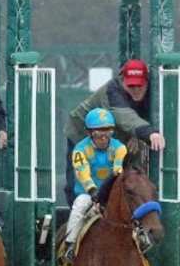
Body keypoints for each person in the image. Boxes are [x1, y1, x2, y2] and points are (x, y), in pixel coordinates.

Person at [64, 59, 164, 204]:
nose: (136, 89)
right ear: (122, 81)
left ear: (147, 82)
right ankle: (77, 221)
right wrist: (149, 133)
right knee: (79, 183)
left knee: (122, 176)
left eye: (139, 85)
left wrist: (134, 135)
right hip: (81, 134)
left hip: (115, 137)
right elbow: (124, 117)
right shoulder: (112, 92)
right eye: (131, 85)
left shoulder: (152, 95)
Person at [58, 108, 127, 266]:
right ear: (89, 133)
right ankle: (69, 246)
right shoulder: (80, 149)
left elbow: (118, 171)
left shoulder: (120, 148)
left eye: (108, 132)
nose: (103, 137)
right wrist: (94, 192)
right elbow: (83, 173)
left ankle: (141, 244)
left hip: (111, 193)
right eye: (98, 133)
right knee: (79, 207)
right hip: (88, 194)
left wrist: (106, 194)